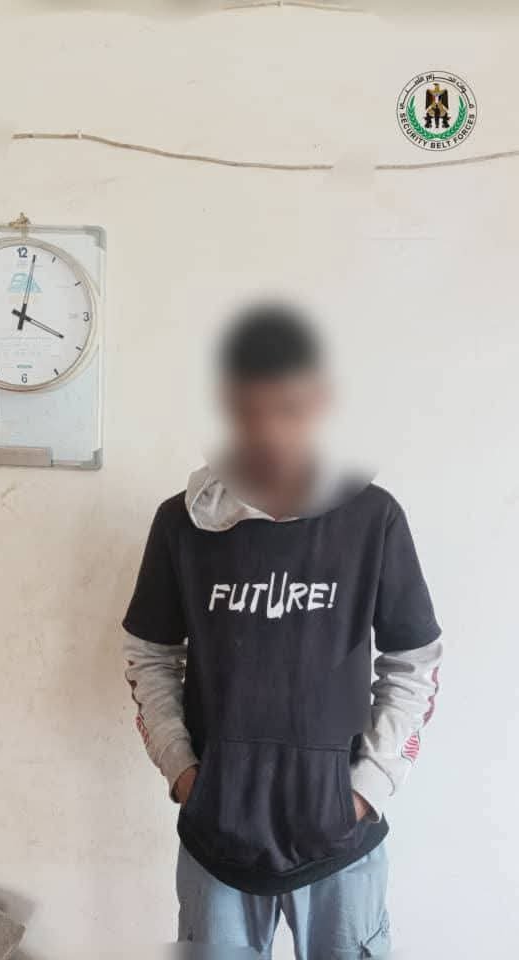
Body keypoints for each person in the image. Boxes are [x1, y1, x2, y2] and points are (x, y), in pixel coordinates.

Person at [122, 302, 442, 960]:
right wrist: (185, 774)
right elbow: (149, 655)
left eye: (287, 408)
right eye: (249, 409)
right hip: (215, 845)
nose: (267, 430)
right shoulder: (183, 523)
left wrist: (365, 791)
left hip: (341, 847)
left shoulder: (371, 518)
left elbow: (414, 660)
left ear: (320, 403)